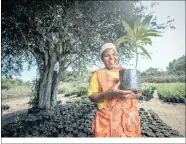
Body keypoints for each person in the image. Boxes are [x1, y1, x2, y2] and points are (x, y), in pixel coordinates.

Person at [88, 43, 141, 137]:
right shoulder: (97, 74)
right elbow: (92, 97)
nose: (111, 58)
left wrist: (136, 94)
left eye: (114, 54)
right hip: (106, 118)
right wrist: (109, 93)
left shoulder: (125, 72)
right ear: (102, 58)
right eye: (107, 55)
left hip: (126, 116)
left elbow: (136, 92)